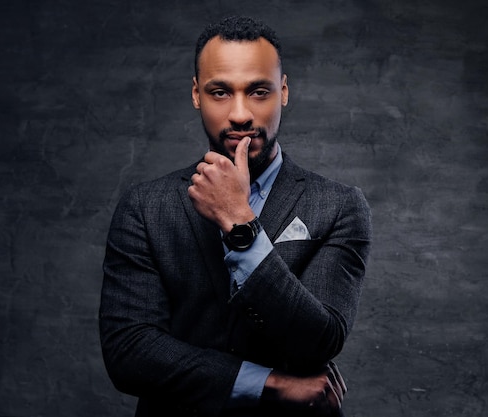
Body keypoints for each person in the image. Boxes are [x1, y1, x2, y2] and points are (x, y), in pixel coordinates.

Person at [99, 15, 372, 417]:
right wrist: (270, 383)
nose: (241, 114)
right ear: (196, 95)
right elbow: (129, 353)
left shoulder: (340, 205)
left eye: (259, 91)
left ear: (283, 91)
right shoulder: (144, 207)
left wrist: (239, 221)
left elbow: (321, 339)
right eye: (220, 92)